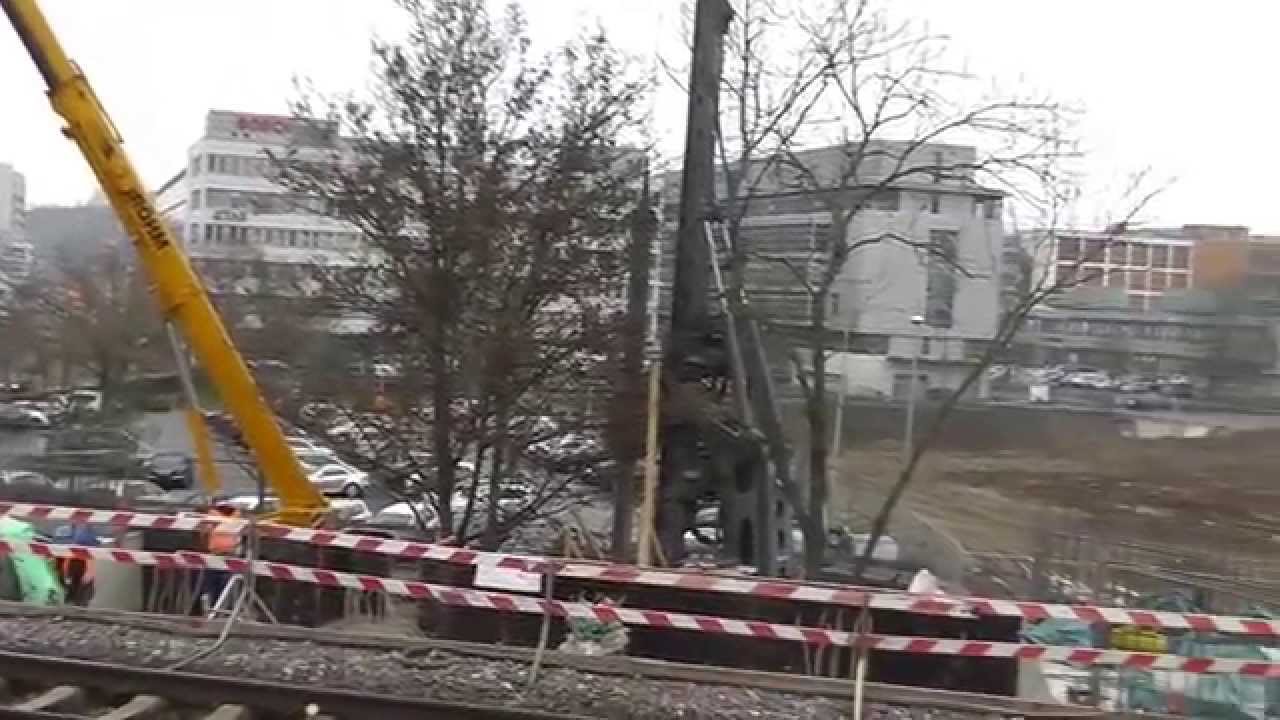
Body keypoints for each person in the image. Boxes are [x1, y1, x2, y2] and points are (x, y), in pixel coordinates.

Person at [54, 523, 98, 606]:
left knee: (81, 596)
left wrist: (90, 569)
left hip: (79, 567)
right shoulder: (64, 532)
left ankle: (77, 608)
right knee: (69, 593)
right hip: (70, 568)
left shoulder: (86, 534)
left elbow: (90, 553)